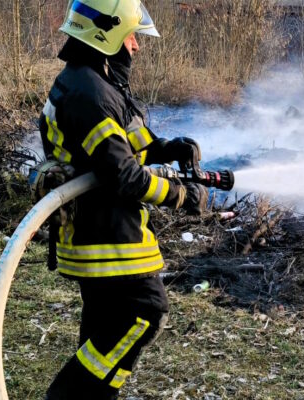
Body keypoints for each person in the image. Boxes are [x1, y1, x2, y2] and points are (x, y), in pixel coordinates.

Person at [39, 1, 208, 398]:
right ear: (107, 36)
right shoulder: (89, 94)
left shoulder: (91, 81)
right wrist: (183, 197)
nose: (136, 46)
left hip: (102, 231)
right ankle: (68, 396)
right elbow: (125, 175)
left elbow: (127, 147)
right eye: (131, 36)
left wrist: (169, 148)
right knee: (146, 309)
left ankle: (94, 396)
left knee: (105, 324)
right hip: (105, 237)